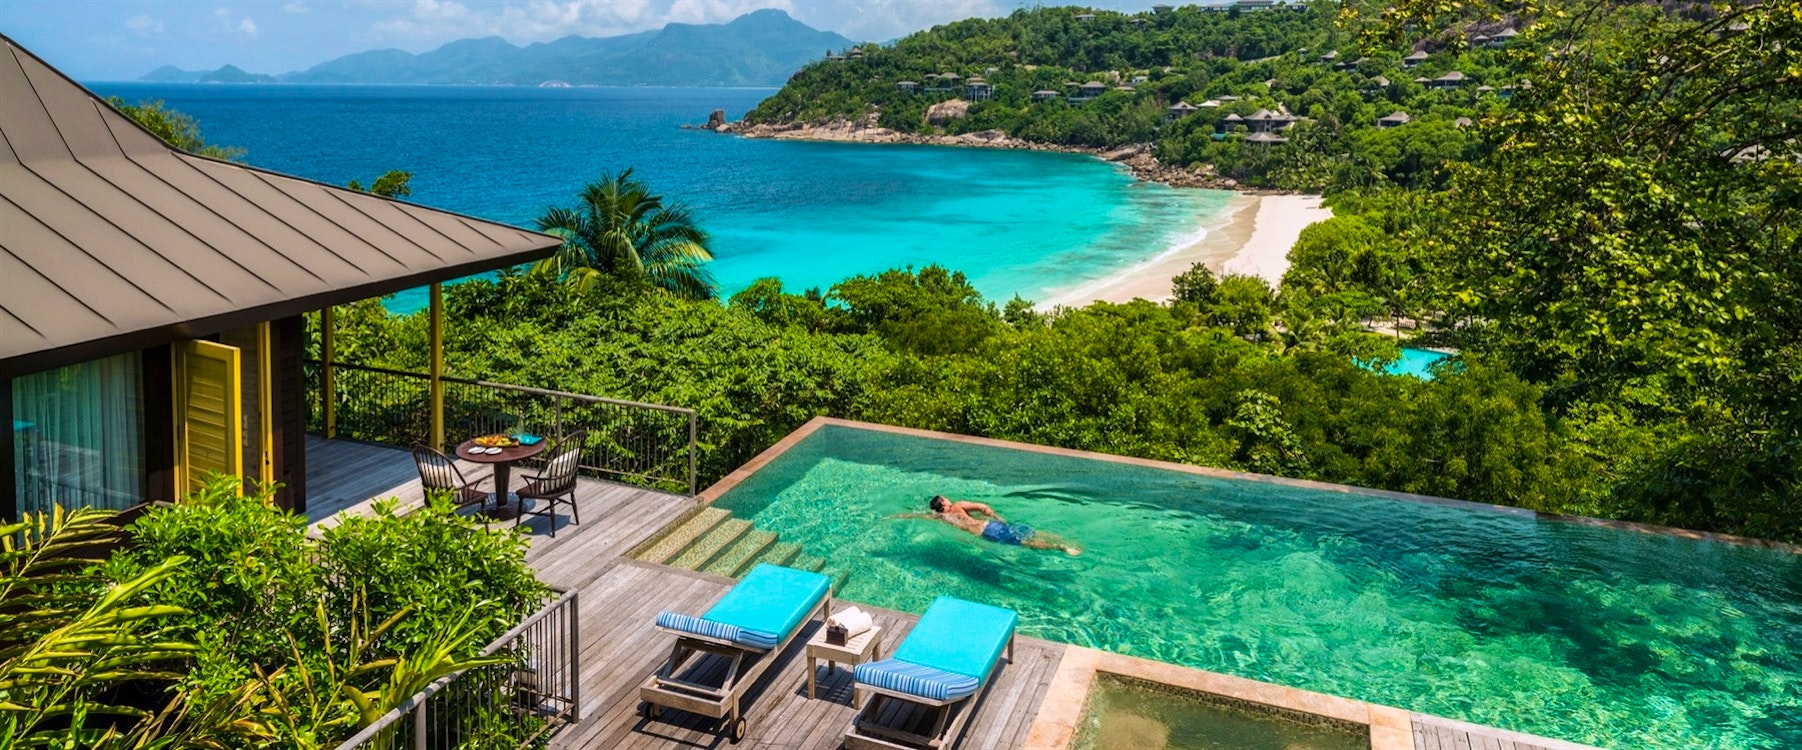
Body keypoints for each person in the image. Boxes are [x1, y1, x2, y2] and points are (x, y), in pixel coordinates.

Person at [896, 495, 1080, 555]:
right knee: (1028, 535)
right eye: (945, 498)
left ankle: (1060, 547)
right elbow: (982, 507)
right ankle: (1060, 543)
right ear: (944, 503)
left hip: (986, 534)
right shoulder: (958, 506)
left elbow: (916, 515)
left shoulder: (941, 518)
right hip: (990, 526)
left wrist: (897, 515)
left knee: (1025, 542)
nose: (948, 498)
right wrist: (997, 517)